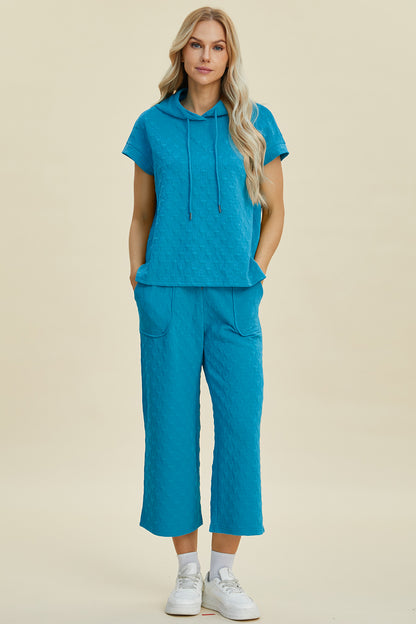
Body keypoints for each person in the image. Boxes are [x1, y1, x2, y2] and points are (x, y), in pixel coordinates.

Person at [121, 6, 289, 621]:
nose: (206, 56)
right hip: (167, 293)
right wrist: (139, 278)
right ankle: (188, 570)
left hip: (234, 296)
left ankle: (224, 573)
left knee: (240, 428)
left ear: (229, 56)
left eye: (218, 46)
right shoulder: (152, 125)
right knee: (170, 428)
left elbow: (275, 212)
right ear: (181, 53)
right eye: (196, 45)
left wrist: (256, 272)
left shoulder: (255, 122)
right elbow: (141, 215)